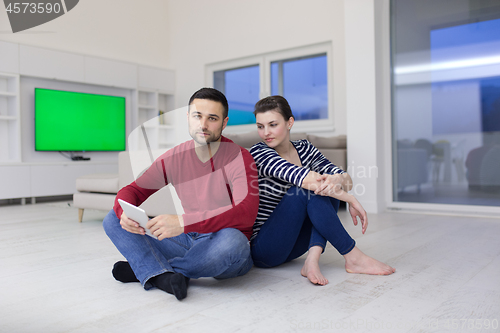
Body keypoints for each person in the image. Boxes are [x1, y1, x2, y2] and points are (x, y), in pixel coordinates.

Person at [103, 88, 259, 300]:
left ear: (224, 123)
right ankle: (164, 274)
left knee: (234, 242)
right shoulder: (175, 156)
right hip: (187, 241)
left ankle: (151, 271)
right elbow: (133, 190)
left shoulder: (240, 157)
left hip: (222, 243)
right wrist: (124, 212)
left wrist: (183, 222)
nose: (203, 125)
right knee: (113, 219)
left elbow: (245, 212)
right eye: (197, 116)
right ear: (188, 118)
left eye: (212, 118)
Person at [249, 96, 395, 285]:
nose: (266, 132)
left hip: (294, 246)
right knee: (305, 190)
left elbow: (347, 180)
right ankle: (354, 257)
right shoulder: (259, 152)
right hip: (265, 248)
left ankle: (311, 260)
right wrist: (349, 198)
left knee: (328, 189)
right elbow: (305, 180)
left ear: (289, 122)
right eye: (260, 126)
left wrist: (336, 178)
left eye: (272, 124)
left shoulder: (305, 148)